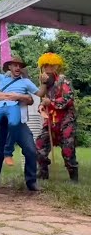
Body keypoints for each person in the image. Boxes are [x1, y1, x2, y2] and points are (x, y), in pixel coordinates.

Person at [0, 49, 47, 166]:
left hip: (14, 107)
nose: (18, 68)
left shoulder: (26, 82)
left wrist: (44, 83)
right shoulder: (2, 79)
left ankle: (8, 153)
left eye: (20, 66)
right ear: (10, 67)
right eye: (15, 65)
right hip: (0, 107)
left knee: (14, 124)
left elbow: (40, 94)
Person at [36, 52, 79, 182]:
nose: (47, 68)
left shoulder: (63, 80)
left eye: (50, 65)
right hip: (50, 120)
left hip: (66, 120)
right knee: (39, 144)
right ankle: (43, 175)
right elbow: (41, 98)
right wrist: (42, 106)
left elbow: (69, 98)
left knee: (67, 149)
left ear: (56, 67)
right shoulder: (44, 82)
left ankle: (73, 177)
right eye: (45, 66)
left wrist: (52, 102)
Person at [0, 92, 40, 191]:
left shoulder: (24, 83)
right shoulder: (4, 82)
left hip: (20, 123)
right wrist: (7, 97)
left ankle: (31, 182)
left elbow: (30, 100)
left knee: (30, 149)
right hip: (4, 122)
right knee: (0, 151)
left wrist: (17, 97)